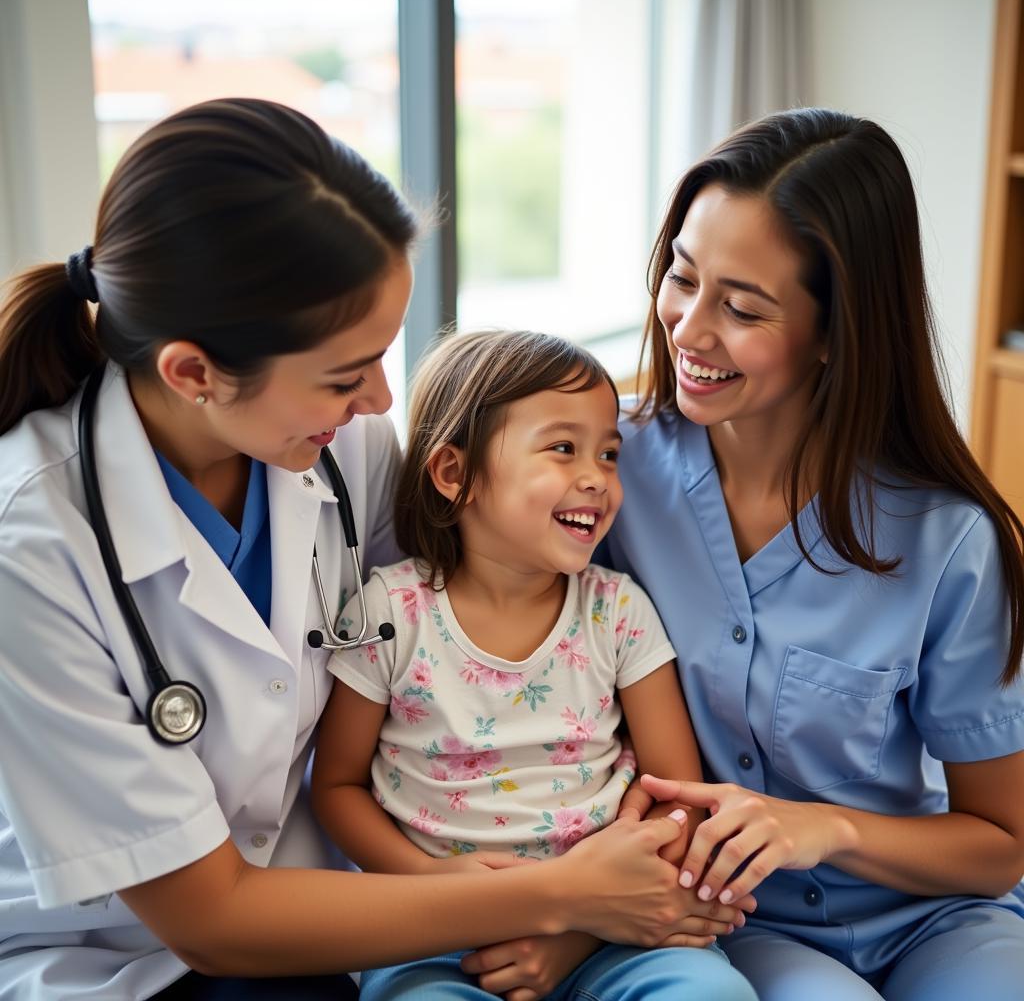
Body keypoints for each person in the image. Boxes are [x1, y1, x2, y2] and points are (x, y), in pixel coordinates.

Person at [0, 99, 737, 1001]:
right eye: (347, 376)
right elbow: (212, 920)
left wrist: (573, 905)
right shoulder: (30, 545)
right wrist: (561, 899)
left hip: (334, 906)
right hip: (115, 946)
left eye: (384, 357)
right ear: (193, 373)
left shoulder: (338, 449)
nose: (384, 401)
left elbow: (441, 614)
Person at [596, 106, 1024, 1000]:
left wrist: (825, 828)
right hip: (733, 921)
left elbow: (998, 847)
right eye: (682, 276)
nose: (689, 327)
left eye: (743, 306)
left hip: (934, 914)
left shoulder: (947, 541)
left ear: (836, 332)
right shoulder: (605, 480)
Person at [311, 329, 758, 1001]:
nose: (597, 478)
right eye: (563, 448)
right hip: (441, 936)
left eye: (609, 454)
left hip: (608, 930)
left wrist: (578, 924)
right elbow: (336, 788)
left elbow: (678, 796)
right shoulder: (390, 613)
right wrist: (429, 883)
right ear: (454, 474)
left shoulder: (618, 612)